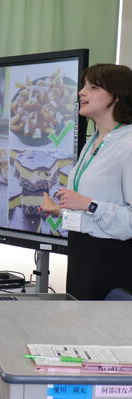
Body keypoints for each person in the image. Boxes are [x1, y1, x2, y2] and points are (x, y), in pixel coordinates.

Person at [48, 64, 132, 300]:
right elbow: (93, 211)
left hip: (112, 261)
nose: (81, 92)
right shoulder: (94, 140)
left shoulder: (128, 144)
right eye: (84, 86)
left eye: (93, 87)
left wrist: (88, 204)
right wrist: (61, 210)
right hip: (82, 254)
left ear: (117, 96)